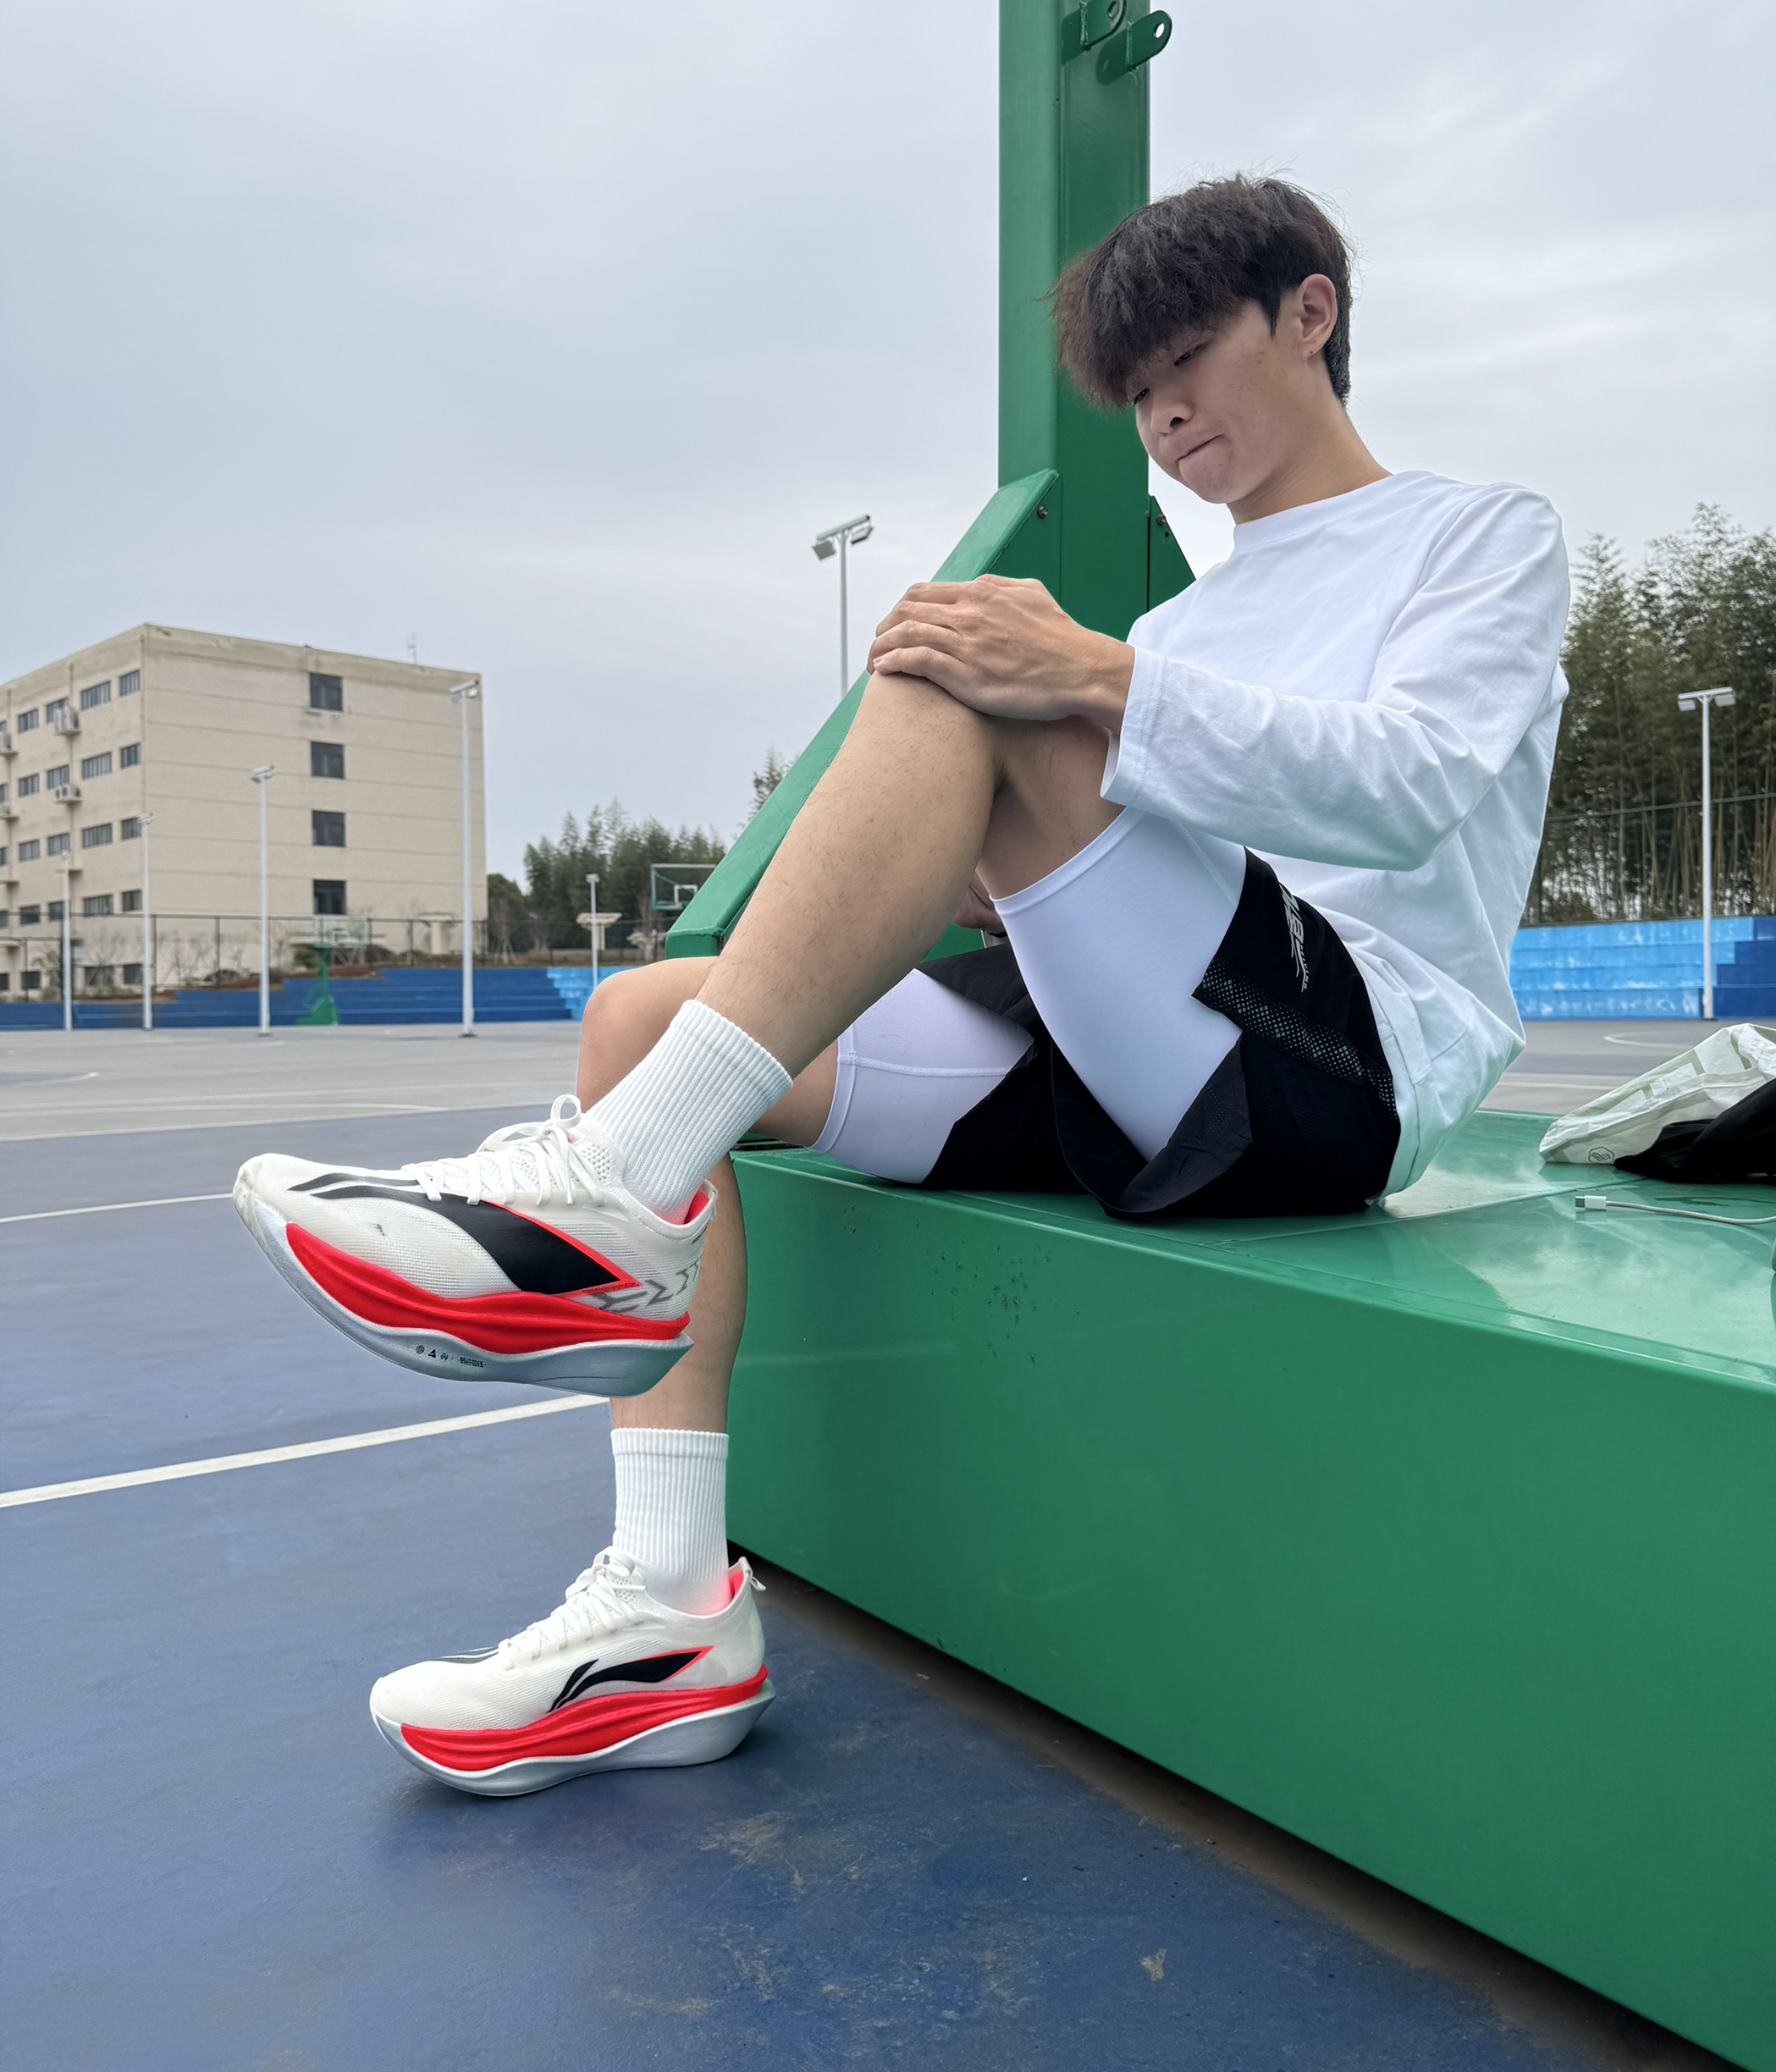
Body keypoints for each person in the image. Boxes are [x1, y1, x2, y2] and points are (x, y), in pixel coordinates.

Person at [235, 175, 1569, 1797]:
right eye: (1136, 389)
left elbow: (1411, 789)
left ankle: (603, 1204)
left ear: (1310, 313)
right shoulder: (1185, 617)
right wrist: (990, 856)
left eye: (1186, 358)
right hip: (1139, 1041)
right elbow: (1145, 841)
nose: (1162, 413)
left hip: (1335, 1058)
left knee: (980, 662)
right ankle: (664, 1618)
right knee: (641, 1019)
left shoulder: (1475, 534)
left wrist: (1084, 684)